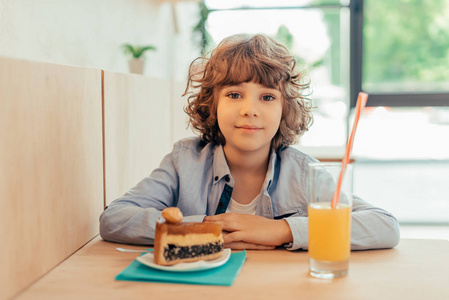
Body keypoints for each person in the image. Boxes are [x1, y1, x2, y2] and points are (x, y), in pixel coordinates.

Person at [99, 33, 400, 250]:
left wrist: (280, 230)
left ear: (285, 109)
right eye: (234, 94)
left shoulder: (304, 172)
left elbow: (384, 226)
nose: (249, 109)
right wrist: (204, 227)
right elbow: (115, 218)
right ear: (212, 103)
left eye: (267, 97)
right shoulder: (184, 161)